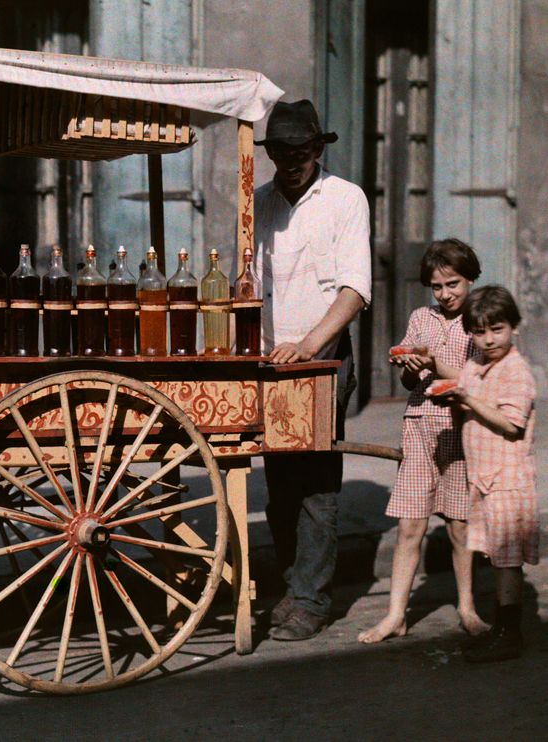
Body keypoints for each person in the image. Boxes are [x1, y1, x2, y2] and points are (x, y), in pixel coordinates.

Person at [253, 99, 372, 640]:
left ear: (319, 149)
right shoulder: (258, 203)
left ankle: (312, 599)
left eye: (301, 152)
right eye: (282, 152)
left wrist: (309, 345)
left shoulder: (345, 199)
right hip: (271, 360)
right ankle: (292, 584)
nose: (292, 162)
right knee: (279, 483)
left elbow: (354, 290)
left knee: (317, 485)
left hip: (323, 358)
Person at [358, 239, 487, 643]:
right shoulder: (421, 318)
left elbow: (474, 381)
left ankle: (467, 606)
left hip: (462, 431)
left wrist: (434, 364)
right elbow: (409, 380)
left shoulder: (482, 321)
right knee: (410, 526)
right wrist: (411, 366)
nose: (446, 294)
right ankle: (396, 614)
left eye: (453, 284)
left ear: (470, 279)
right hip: (419, 426)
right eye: (437, 287)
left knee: (460, 527)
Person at [451, 286, 538, 662]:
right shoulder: (478, 362)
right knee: (497, 556)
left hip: (507, 479)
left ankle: (510, 632)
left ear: (514, 328)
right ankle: (503, 629)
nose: (488, 340)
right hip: (485, 477)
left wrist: (468, 400)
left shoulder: (516, 370)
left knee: (506, 560)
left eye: (496, 330)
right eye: (479, 331)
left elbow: (511, 423)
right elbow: (463, 384)